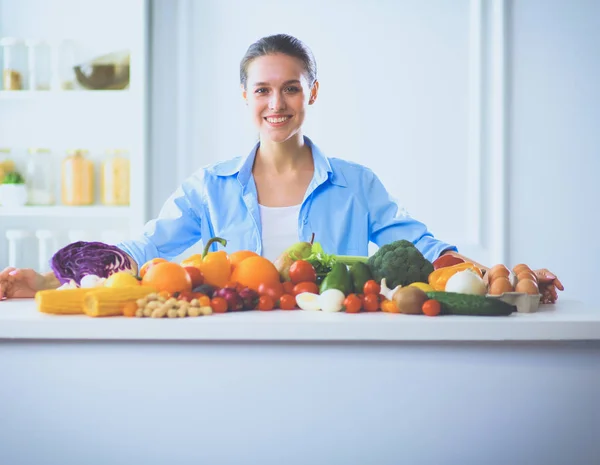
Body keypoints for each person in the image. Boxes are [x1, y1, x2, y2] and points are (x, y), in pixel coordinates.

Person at [0, 34, 563, 303]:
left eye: (291, 88)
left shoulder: (356, 183)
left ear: (311, 92)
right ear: (243, 97)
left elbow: (419, 245)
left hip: (334, 337)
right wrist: (49, 281)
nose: (278, 104)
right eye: (263, 90)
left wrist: (497, 277)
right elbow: (143, 251)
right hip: (236, 338)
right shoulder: (208, 187)